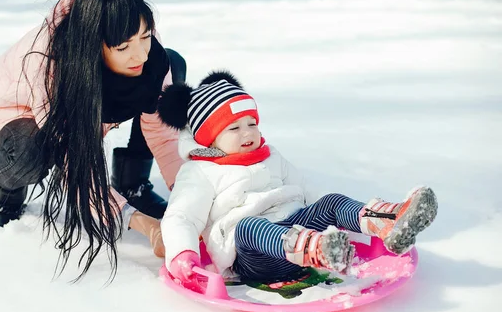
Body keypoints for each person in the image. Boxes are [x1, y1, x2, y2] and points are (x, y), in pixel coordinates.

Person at [0, 0, 186, 279]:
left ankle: (132, 182)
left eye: (145, 36)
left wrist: (187, 196)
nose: (141, 54)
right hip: (16, 111)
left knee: (170, 63)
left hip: (95, 94)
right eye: (123, 47)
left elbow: (161, 133)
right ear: (93, 46)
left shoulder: (139, 39)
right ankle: (5, 192)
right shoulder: (49, 67)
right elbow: (79, 170)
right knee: (31, 151)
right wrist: (144, 225)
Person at [156, 70, 438, 286]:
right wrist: (182, 254)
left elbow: (306, 190)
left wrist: (335, 215)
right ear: (209, 137)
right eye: (234, 128)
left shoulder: (270, 155)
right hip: (254, 256)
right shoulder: (200, 171)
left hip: (297, 228)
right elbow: (181, 216)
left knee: (331, 201)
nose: (248, 133)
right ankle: (318, 249)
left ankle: (386, 222)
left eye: (252, 123)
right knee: (249, 226)